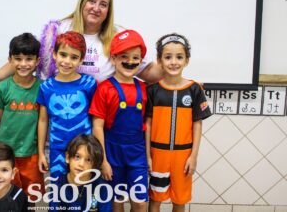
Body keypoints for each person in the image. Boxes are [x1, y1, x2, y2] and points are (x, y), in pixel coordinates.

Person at [0, 0, 162, 85]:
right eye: (92, 1)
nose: (96, 8)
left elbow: (146, 69)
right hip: (61, 113)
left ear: (109, 10)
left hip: (100, 115)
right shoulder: (58, 30)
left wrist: (171, 65)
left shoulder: (117, 36)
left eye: (103, 4)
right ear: (82, 2)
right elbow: (26, 58)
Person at [145, 33, 212, 212]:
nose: (174, 62)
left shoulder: (194, 90)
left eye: (179, 57)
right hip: (158, 154)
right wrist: (148, 155)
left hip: (183, 156)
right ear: (159, 60)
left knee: (179, 200)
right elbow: (148, 124)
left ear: (187, 60)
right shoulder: (153, 90)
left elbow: (197, 125)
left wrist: (193, 156)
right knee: (155, 199)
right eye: (168, 57)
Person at [89, 30, 149, 212]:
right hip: (112, 152)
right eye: (124, 56)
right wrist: (104, 161)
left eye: (135, 57)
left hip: (137, 153)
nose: (130, 62)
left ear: (140, 60)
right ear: (113, 59)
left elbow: (148, 124)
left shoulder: (145, 88)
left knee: (140, 202)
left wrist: (148, 156)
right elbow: (97, 127)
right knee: (117, 201)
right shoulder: (104, 89)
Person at [37, 31, 97, 178]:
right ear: (54, 54)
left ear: (81, 60)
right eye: (63, 55)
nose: (67, 61)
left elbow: (96, 118)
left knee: (84, 190)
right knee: (58, 192)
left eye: (74, 57)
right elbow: (43, 120)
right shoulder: (46, 87)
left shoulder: (89, 84)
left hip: (85, 151)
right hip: (58, 149)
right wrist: (41, 153)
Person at [0, 33, 44, 197]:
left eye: (29, 59)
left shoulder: (43, 88)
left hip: (32, 154)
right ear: (10, 60)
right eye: (18, 59)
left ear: (37, 61)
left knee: (31, 197)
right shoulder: (1, 88)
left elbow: (43, 120)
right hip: (7, 154)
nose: (23, 64)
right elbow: (1, 119)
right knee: (8, 196)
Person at [50, 134, 112, 211]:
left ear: (95, 165)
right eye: (77, 157)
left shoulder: (102, 187)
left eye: (88, 160)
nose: (81, 164)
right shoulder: (58, 185)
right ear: (67, 157)